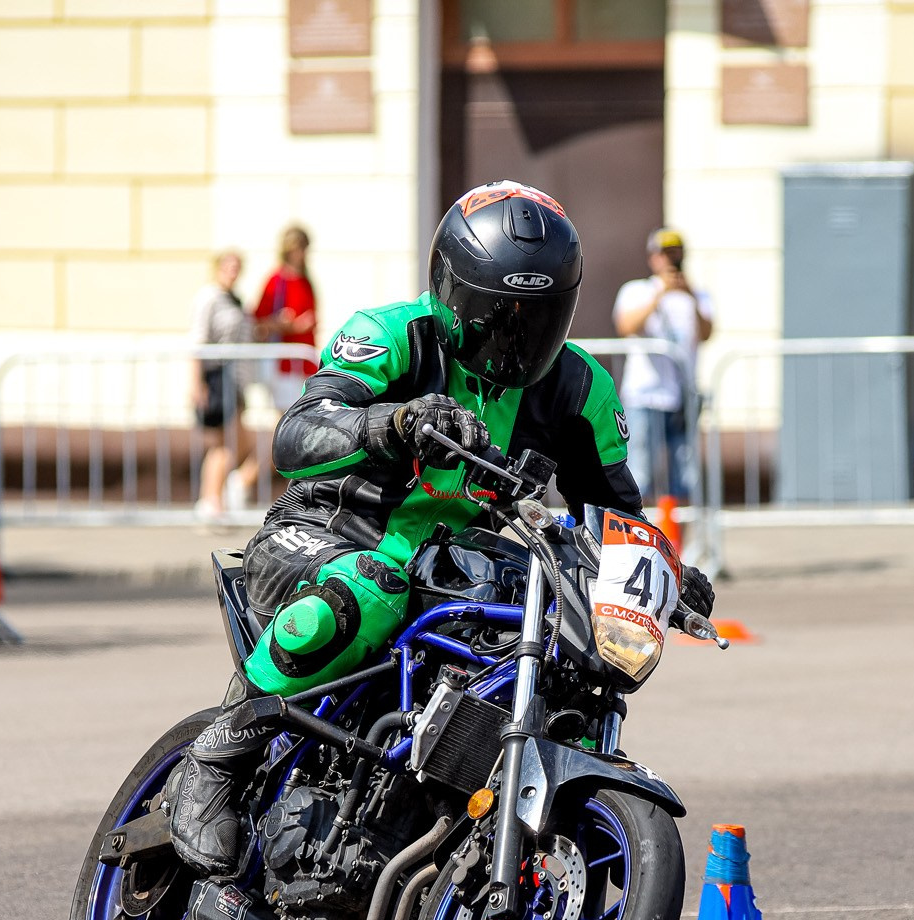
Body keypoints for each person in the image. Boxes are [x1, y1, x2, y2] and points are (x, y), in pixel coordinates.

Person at [161, 181, 715, 875]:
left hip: (452, 571)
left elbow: (614, 510)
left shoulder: (580, 389)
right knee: (369, 585)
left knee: (560, 643)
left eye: (537, 318)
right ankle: (218, 756)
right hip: (328, 537)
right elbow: (295, 435)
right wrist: (392, 422)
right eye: (497, 315)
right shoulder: (392, 334)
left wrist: (661, 568)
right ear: (451, 290)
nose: (516, 337)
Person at [612, 227, 714, 505]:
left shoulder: (697, 295)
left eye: (676, 254)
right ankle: (635, 535)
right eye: (666, 254)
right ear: (653, 258)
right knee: (638, 472)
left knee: (683, 476)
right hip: (645, 395)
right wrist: (660, 294)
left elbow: (707, 333)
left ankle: (678, 542)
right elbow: (626, 325)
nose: (671, 260)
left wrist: (689, 294)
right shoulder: (638, 290)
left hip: (682, 396)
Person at [187, 249, 257, 514]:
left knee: (237, 443)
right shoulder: (209, 298)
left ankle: (216, 499)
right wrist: (196, 383)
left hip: (235, 380)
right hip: (216, 378)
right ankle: (210, 502)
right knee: (223, 443)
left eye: (237, 266)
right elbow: (197, 341)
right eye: (228, 266)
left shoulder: (234, 300)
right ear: (217, 268)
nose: (232, 271)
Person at [253, 224, 318, 413]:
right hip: (285, 362)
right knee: (287, 414)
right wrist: (286, 325)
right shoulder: (276, 281)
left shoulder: (305, 280)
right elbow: (258, 321)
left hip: (304, 360)